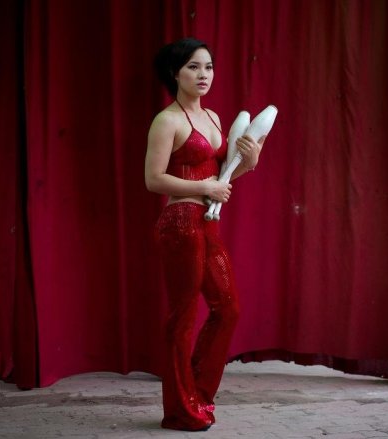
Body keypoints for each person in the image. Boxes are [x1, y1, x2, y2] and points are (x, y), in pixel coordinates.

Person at [145, 38, 264, 432]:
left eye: (208, 67)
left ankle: (195, 395)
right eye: (193, 67)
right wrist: (204, 188)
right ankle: (180, 409)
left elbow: (223, 177)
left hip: (208, 225)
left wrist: (250, 161)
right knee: (182, 318)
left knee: (228, 309)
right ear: (175, 73)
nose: (203, 74)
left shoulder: (213, 117)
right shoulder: (167, 121)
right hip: (180, 223)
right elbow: (153, 179)